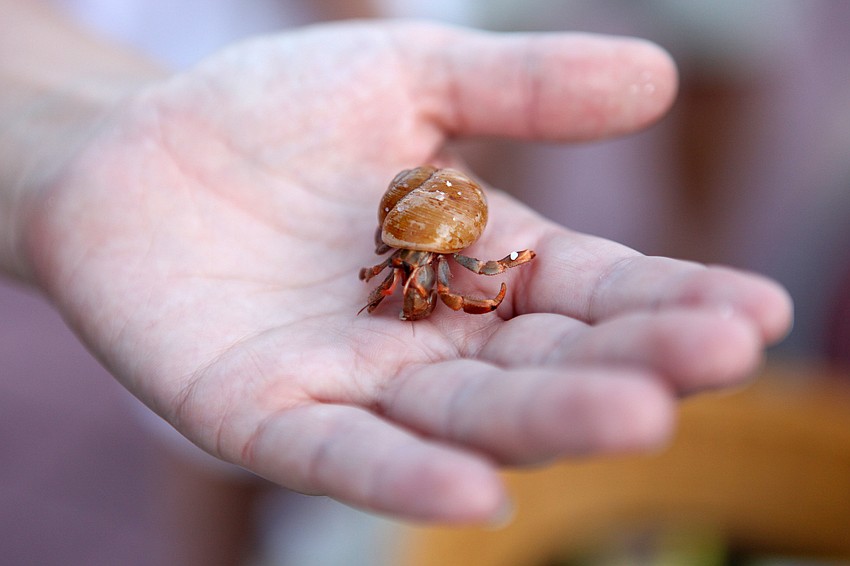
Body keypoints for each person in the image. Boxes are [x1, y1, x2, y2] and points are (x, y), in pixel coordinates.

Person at [0, 0, 792, 524]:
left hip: (424, 197)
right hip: (391, 174)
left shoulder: (420, 253)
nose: (405, 286)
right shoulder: (400, 253)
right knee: (208, 461)